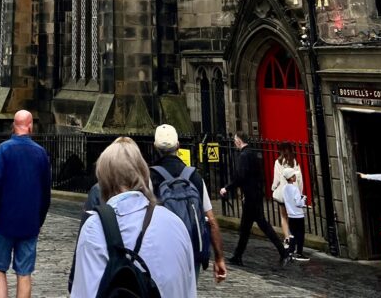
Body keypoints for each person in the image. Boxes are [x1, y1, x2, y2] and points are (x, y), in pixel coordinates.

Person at [70, 136, 196, 298]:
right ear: (143, 173)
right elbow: (189, 290)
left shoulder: (95, 228)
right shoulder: (176, 224)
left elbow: (86, 292)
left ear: (103, 179)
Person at [0, 110, 51, 298]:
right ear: (30, 126)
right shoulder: (40, 153)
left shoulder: (3, 150)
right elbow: (46, 192)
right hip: (29, 222)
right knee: (24, 273)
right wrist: (39, 220)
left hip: (3, 221)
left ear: (14, 125)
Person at [150, 123, 226, 282]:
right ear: (178, 146)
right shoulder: (194, 177)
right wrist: (219, 258)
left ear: (154, 146)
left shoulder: (149, 178)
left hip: (161, 253)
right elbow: (211, 221)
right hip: (190, 252)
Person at [219, 131, 287, 267]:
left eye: (234, 140)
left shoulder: (244, 155)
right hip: (254, 194)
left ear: (238, 140)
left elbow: (240, 177)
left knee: (260, 225)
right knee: (247, 227)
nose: (234, 143)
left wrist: (227, 188)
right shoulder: (252, 153)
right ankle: (238, 255)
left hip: (251, 196)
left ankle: (283, 252)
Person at [271, 142, 303, 242]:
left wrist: (273, 188)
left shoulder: (278, 162)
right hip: (293, 194)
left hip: (283, 193)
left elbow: (276, 180)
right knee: (293, 216)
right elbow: (299, 179)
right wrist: (300, 192)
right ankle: (295, 237)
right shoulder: (294, 162)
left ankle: (287, 237)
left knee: (284, 216)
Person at [280, 166, 309, 261]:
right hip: (298, 215)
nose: (295, 177)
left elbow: (286, 200)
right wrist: (303, 199)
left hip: (290, 215)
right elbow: (298, 203)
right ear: (291, 178)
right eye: (294, 176)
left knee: (292, 234)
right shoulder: (295, 189)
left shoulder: (284, 188)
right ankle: (299, 253)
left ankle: (291, 251)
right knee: (300, 234)